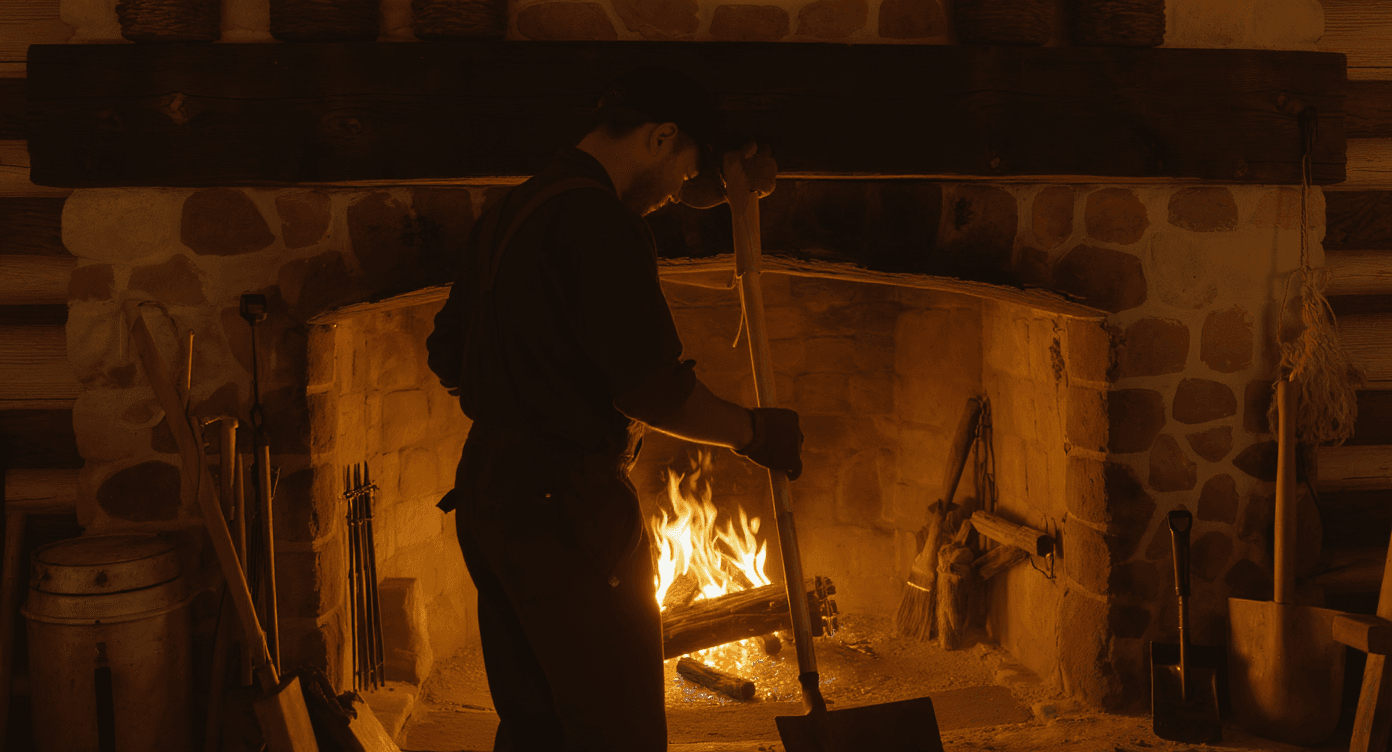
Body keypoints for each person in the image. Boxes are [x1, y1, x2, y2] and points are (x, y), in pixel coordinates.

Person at [425, 66, 805, 752]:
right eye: (684, 170)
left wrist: (525, 392)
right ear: (661, 136)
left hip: (488, 493)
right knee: (615, 731)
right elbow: (652, 390)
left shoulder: (512, 212)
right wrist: (753, 432)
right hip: (569, 508)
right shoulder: (601, 222)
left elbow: (447, 355)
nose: (677, 191)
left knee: (537, 726)